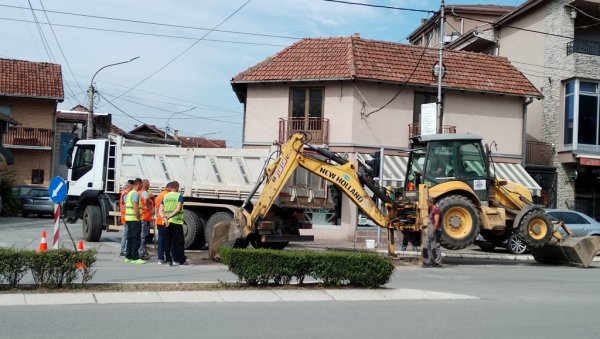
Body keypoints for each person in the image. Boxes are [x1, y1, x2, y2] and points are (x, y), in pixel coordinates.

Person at [160, 181, 188, 266]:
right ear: (176, 187)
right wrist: (169, 216)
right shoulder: (178, 196)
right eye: (178, 188)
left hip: (166, 223)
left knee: (167, 242)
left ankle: (169, 261)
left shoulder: (165, 196)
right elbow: (178, 209)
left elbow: (160, 210)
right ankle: (181, 260)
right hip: (176, 222)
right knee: (179, 242)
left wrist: (165, 218)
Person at [125, 178, 145, 264]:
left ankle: (128, 257)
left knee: (129, 238)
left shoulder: (129, 193)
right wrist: (138, 218)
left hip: (129, 219)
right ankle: (135, 258)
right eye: (142, 185)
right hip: (134, 219)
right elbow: (135, 207)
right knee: (135, 238)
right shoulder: (135, 194)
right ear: (139, 184)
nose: (142, 186)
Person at [422, 197, 442, 267]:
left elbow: (436, 223)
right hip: (430, 230)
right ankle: (427, 261)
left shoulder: (437, 210)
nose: (427, 204)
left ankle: (437, 263)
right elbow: (429, 221)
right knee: (426, 245)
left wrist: (433, 231)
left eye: (428, 203)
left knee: (435, 247)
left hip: (435, 231)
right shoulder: (431, 210)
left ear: (431, 203)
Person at [154, 183, 171, 264]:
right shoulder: (168, 195)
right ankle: (168, 258)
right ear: (170, 188)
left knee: (160, 240)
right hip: (166, 220)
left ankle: (160, 258)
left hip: (159, 220)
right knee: (167, 240)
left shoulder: (159, 195)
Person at [138, 179, 154, 260]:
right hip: (145, 217)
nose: (149, 186)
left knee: (142, 235)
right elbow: (146, 201)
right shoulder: (144, 193)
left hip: (142, 217)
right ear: (145, 185)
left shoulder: (139, 192)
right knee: (143, 236)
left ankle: (143, 251)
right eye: (148, 185)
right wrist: (150, 198)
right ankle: (141, 253)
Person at [119, 179, 135, 257]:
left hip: (126, 216)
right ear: (131, 185)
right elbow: (126, 204)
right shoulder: (126, 194)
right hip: (126, 217)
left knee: (127, 234)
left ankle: (123, 250)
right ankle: (123, 251)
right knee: (126, 235)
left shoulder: (125, 193)